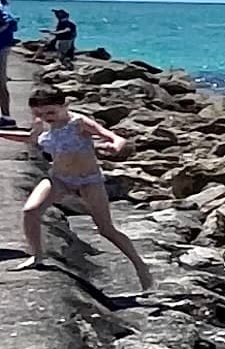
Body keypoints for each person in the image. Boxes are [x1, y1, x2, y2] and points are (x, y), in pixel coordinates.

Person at [18, 86, 151, 292]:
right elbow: (30, 139)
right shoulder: (41, 125)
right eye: (39, 113)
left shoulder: (78, 123)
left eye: (51, 112)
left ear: (65, 106)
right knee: (30, 211)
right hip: (59, 178)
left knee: (106, 230)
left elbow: (114, 137)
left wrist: (116, 146)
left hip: (89, 181)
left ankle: (141, 267)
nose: (46, 117)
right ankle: (36, 256)